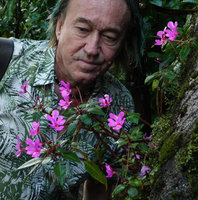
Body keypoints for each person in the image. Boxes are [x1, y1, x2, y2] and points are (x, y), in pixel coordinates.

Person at [0, 0, 144, 199]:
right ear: (59, 27)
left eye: (110, 37)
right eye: (83, 29)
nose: (93, 49)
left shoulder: (119, 105)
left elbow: (100, 185)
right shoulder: (7, 58)